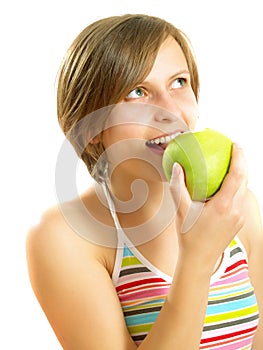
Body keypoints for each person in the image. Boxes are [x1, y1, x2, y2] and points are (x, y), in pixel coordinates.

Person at [26, 14, 263, 349]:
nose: (169, 111)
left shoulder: (238, 209)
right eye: (137, 92)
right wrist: (197, 259)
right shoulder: (65, 235)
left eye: (179, 83)